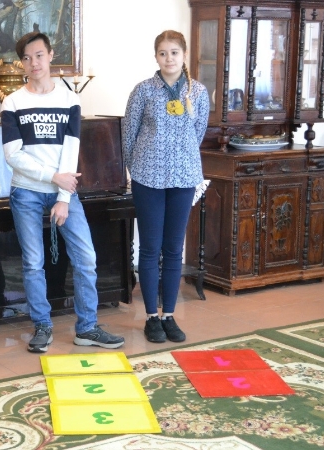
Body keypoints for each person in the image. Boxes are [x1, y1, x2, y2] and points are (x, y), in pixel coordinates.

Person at [1, 31, 125, 353]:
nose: (34, 63)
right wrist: (53, 177)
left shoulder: (70, 99)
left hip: (64, 191)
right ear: (22, 63)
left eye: (39, 55)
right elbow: (12, 154)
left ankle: (87, 328)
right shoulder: (13, 101)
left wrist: (63, 196)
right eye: (27, 58)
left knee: (86, 258)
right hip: (26, 191)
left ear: (51, 55)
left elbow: (71, 150)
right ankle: (42, 326)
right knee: (33, 262)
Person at [122, 30, 209, 344]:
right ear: (156, 56)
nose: (168, 58)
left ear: (184, 55)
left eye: (174, 52)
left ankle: (169, 315)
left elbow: (198, 133)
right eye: (163, 53)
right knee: (150, 248)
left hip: (184, 178)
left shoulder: (198, 92)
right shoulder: (143, 90)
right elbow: (128, 135)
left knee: (173, 249)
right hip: (148, 178)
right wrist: (137, 168)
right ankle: (150, 317)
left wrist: (180, 158)